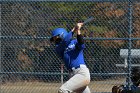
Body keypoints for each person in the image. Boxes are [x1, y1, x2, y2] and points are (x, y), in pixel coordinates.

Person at [50, 23, 91, 93]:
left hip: (81, 72)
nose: (55, 41)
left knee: (63, 90)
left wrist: (78, 30)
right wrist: (73, 29)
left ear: (62, 35)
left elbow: (81, 43)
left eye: (57, 39)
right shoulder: (59, 49)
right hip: (72, 75)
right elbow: (65, 41)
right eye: (54, 40)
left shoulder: (74, 42)